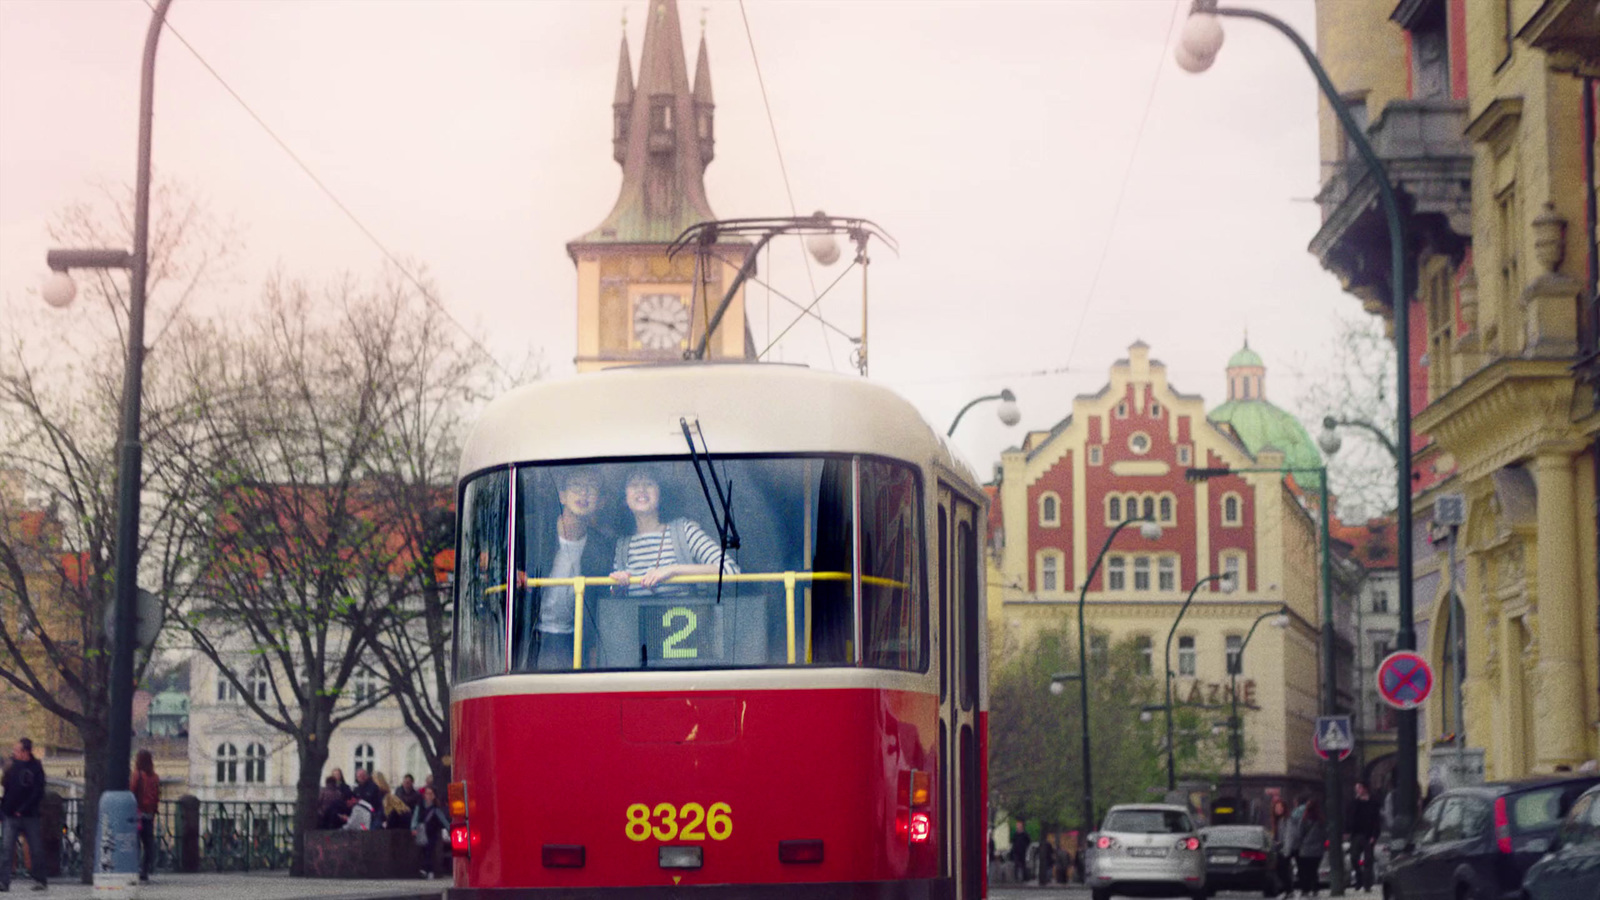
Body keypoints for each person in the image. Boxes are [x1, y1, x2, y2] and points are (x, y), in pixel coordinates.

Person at [516, 469, 612, 670]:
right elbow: (496, 566)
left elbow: (599, 606)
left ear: (601, 502)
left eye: (591, 488)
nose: (583, 493)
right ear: (562, 495)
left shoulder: (602, 547)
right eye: (576, 486)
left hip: (572, 639)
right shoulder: (532, 531)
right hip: (528, 635)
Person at [610, 470, 738, 598]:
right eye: (634, 485)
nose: (641, 490)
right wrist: (618, 585)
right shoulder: (622, 545)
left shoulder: (684, 531)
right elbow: (616, 600)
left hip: (689, 617)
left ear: (661, 494)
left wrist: (673, 570)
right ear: (624, 498)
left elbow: (731, 571)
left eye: (649, 484)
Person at [0, 737, 47, 893]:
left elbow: (37, 792)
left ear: (25, 752)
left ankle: (40, 879)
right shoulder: (11, 766)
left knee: (36, 849)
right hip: (11, 814)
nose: (14, 753)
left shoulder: (36, 768)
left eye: (17, 750)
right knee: (7, 849)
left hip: (29, 815)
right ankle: (4, 881)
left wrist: (24, 808)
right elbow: (6, 788)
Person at [130, 749, 160, 883]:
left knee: (135, 842)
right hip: (149, 813)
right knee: (148, 844)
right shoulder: (155, 777)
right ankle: (145, 870)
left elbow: (132, 791)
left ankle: (134, 868)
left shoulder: (137, 775)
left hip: (137, 813)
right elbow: (156, 795)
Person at [1347, 782, 1380, 891]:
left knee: (1368, 860)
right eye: (1356, 788)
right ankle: (1359, 877)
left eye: (1359, 788)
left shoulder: (1373, 803)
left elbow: (1376, 820)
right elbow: (1350, 815)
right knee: (1354, 857)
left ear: (1365, 789)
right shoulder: (1355, 802)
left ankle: (1367, 884)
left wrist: (1374, 835)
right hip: (1356, 834)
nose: (1357, 790)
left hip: (1368, 835)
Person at [412, 787, 450, 880]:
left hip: (432, 833)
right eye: (427, 793)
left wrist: (450, 829)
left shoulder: (436, 808)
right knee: (424, 851)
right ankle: (427, 870)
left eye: (430, 794)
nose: (428, 796)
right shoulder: (420, 806)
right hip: (422, 831)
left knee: (429, 851)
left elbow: (443, 820)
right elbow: (415, 817)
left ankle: (427, 870)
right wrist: (413, 828)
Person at [1295, 798, 1327, 898]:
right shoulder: (1321, 820)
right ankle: (1315, 889)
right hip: (1318, 851)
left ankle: (1305, 890)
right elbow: (1324, 834)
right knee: (1314, 870)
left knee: (1305, 871)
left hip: (1305, 849)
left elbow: (1299, 834)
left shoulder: (1304, 820)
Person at [1269, 797, 1294, 896]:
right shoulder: (1278, 820)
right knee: (1280, 870)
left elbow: (1289, 835)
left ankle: (1288, 890)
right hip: (1279, 849)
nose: (1278, 809)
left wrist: (1286, 851)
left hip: (1284, 850)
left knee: (1283, 870)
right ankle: (1287, 890)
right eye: (1276, 808)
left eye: (1280, 807)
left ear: (1284, 808)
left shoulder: (1287, 820)